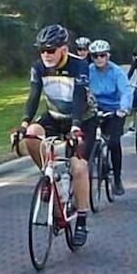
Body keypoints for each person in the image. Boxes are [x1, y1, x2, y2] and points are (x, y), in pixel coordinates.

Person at [17, 23, 97, 246]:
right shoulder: (38, 67)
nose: (46, 54)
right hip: (54, 116)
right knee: (31, 134)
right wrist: (24, 124)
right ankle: (49, 176)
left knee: (78, 167)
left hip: (83, 119)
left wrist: (76, 127)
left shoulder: (79, 65)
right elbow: (34, 96)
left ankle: (81, 220)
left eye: (50, 50)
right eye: (42, 50)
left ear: (63, 49)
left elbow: (79, 97)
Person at [87, 39, 132, 196]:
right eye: (95, 56)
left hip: (114, 110)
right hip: (94, 109)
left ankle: (117, 179)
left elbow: (126, 91)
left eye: (102, 55)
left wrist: (123, 108)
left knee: (113, 142)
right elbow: (81, 89)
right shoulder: (88, 71)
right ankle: (92, 163)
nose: (99, 59)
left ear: (108, 56)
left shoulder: (116, 72)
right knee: (86, 140)